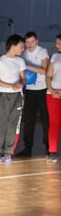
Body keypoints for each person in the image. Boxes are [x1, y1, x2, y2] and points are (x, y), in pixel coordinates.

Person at [0, 34, 27, 163]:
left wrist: (20, 84)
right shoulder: (0, 61)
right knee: (1, 123)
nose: (22, 49)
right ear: (13, 46)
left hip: (17, 96)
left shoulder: (20, 61)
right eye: (21, 46)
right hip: (3, 95)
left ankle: (8, 152)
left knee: (13, 123)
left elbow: (23, 78)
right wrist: (10, 86)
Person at [19, 31, 50, 157]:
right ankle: (27, 147)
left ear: (37, 41)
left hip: (43, 89)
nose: (30, 44)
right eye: (27, 42)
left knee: (45, 119)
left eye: (32, 41)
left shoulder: (42, 51)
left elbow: (45, 70)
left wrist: (27, 66)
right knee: (28, 119)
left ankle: (49, 146)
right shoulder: (24, 53)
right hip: (30, 89)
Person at [45, 34, 61, 163]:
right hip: (53, 94)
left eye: (59, 43)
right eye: (57, 43)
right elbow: (48, 76)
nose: (56, 46)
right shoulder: (55, 56)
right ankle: (52, 152)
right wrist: (51, 90)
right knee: (54, 123)